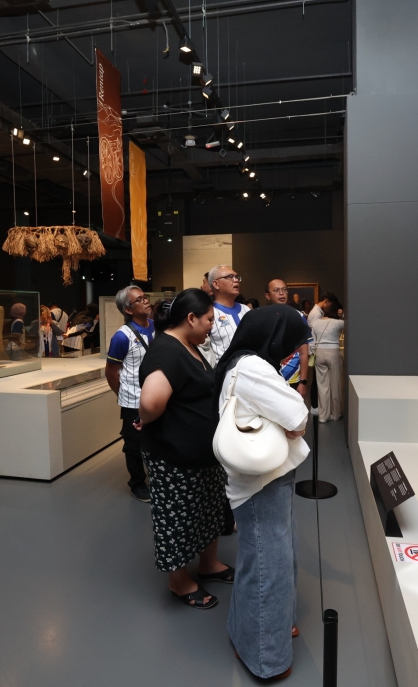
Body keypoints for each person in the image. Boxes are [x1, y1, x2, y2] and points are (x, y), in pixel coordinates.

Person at [213, 305, 310, 681]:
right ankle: (265, 657)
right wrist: (290, 420)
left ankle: (259, 628)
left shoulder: (242, 362)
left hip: (263, 480)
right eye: (289, 342)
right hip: (261, 484)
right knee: (270, 567)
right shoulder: (253, 367)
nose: (291, 351)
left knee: (266, 560)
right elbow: (297, 418)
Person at [136, 289, 232, 609]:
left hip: (202, 456)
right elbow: (151, 402)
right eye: (208, 320)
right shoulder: (166, 351)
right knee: (178, 518)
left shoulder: (188, 345)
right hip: (174, 457)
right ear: (191, 318)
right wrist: (144, 419)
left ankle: (208, 563)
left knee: (208, 510)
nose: (212, 326)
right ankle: (178, 581)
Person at [105, 285, 155, 502]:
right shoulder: (121, 337)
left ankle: (157, 477)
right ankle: (137, 483)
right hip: (133, 400)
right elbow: (111, 372)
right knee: (134, 444)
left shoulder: (156, 327)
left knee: (156, 439)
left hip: (156, 396)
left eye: (145, 297)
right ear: (128, 309)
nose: (146, 301)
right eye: (139, 300)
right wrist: (124, 395)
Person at [265, 279, 311, 396]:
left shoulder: (298, 316)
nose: (281, 293)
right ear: (267, 296)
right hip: (268, 377)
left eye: (284, 290)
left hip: (292, 378)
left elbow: (304, 352)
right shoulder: (262, 317)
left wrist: (303, 382)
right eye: (276, 290)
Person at [208, 265, 249, 364]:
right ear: (216, 284)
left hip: (250, 367)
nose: (236, 280)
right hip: (224, 370)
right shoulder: (209, 313)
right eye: (230, 277)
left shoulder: (246, 309)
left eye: (237, 277)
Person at [313, 301, 345, 421]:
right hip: (333, 353)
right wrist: (343, 315)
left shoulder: (316, 323)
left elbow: (313, 340)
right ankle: (336, 414)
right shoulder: (338, 323)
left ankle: (323, 416)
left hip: (319, 353)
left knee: (322, 385)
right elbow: (351, 323)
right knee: (335, 384)